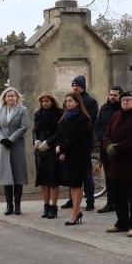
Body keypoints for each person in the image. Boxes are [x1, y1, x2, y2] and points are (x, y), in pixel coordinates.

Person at [39, 92, 93, 226]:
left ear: (77, 103)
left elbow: (77, 138)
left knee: (77, 184)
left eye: (70, 101)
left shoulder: (82, 118)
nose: (67, 103)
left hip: (79, 156)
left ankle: (75, 213)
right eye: (67, 101)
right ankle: (76, 211)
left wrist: (62, 148)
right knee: (73, 185)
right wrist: (50, 145)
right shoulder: (66, 117)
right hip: (68, 155)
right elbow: (60, 134)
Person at [103, 91, 132, 237]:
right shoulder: (116, 115)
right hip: (116, 164)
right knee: (118, 195)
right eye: (123, 100)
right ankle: (122, 222)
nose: (125, 102)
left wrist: (116, 148)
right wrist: (108, 145)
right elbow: (107, 134)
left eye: (129, 100)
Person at [61, 75, 98, 211]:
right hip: (70, 144)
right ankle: (73, 199)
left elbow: (91, 121)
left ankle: (90, 200)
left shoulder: (91, 102)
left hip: (83, 145)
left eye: (77, 85)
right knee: (73, 175)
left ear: (83, 86)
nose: (75, 87)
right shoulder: (68, 101)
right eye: (73, 85)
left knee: (86, 174)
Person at [0, 87, 29, 215]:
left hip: (17, 146)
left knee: (18, 175)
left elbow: (24, 127)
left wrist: (11, 139)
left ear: (17, 97)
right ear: (5, 98)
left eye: (13, 96)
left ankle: (18, 205)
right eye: (8, 96)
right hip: (4, 146)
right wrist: (2, 139)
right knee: (6, 176)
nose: (10, 98)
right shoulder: (0, 110)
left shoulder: (22, 110)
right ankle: (9, 205)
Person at [93, 87, 124, 214]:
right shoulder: (104, 108)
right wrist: (103, 139)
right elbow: (98, 125)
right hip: (105, 146)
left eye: (115, 95)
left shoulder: (122, 109)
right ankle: (110, 203)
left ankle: (121, 203)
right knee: (109, 177)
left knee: (120, 177)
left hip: (118, 148)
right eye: (111, 95)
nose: (112, 97)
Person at [33, 93, 63, 219]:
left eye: (47, 101)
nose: (45, 103)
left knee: (53, 180)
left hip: (52, 149)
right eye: (43, 101)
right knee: (43, 180)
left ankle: (54, 207)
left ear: (52, 101)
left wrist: (49, 143)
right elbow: (35, 131)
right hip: (40, 150)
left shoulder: (59, 113)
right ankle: (46, 206)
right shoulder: (38, 114)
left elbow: (60, 131)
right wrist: (36, 141)